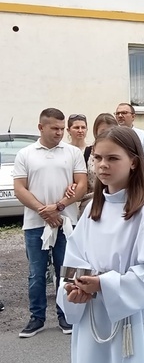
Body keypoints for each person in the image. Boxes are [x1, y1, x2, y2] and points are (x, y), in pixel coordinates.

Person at [56, 126, 144, 363]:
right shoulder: (91, 213)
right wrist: (74, 288)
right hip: (92, 318)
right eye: (97, 158)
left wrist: (104, 285)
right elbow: (72, 263)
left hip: (126, 323)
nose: (103, 165)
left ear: (133, 161)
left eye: (112, 158)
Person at [13, 108, 88, 338]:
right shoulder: (25, 154)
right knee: (36, 273)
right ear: (41, 127)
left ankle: (65, 316)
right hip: (35, 224)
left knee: (64, 270)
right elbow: (19, 188)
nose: (59, 133)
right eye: (54, 128)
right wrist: (43, 211)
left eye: (61, 128)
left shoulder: (73, 152)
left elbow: (82, 185)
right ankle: (37, 318)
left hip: (66, 222)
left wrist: (59, 207)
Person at [79, 113, 118, 216]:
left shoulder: (121, 153)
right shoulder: (87, 152)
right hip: (91, 203)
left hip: (115, 202)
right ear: (95, 132)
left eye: (111, 131)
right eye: (103, 132)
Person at [114, 103, 144, 172]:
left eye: (124, 113)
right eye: (117, 113)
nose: (120, 116)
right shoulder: (112, 137)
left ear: (133, 117)